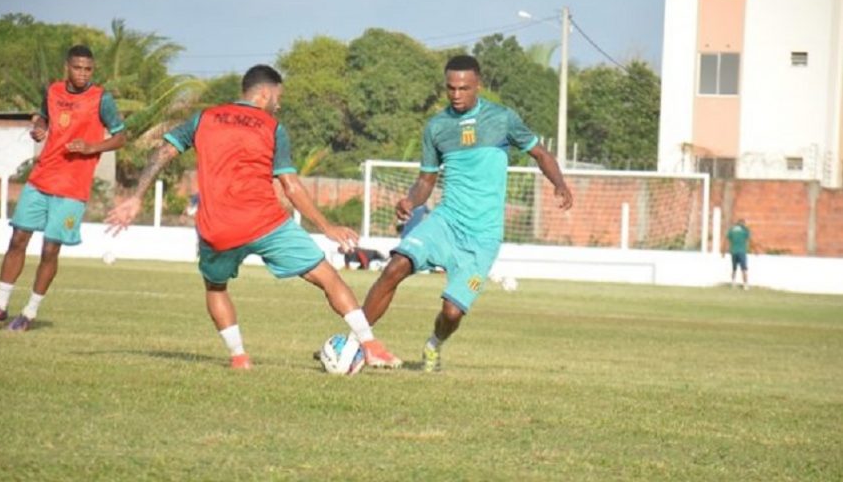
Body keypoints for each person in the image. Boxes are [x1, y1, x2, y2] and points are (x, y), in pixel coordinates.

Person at [105, 65, 401, 370]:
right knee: (328, 277)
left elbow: (163, 152)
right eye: (278, 97)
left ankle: (239, 357)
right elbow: (290, 185)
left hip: (217, 228)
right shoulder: (272, 127)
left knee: (215, 288)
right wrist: (326, 226)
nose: (279, 104)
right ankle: (370, 344)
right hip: (265, 223)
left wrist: (136, 196)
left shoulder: (203, 118)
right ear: (264, 93)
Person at [362, 55, 574, 372]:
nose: (457, 95)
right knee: (395, 266)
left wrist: (559, 183)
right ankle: (357, 343)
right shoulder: (437, 127)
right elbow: (426, 179)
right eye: (451, 88)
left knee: (452, 312)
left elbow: (539, 152)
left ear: (478, 85)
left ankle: (434, 345)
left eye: (464, 88)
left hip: (483, 237)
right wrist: (411, 201)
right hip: (446, 221)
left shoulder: (502, 118)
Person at [0, 45, 127, 331]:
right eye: (77, 68)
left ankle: (28, 313)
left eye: (88, 69)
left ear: (93, 70)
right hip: (41, 178)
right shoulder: (53, 91)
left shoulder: (101, 99)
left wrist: (92, 146)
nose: (82, 74)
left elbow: (120, 137)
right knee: (18, 238)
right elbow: (42, 116)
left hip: (72, 188)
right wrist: (39, 126)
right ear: (68, 67)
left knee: (50, 249)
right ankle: (0, 306)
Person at [724, 218, 751, 290]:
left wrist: (723, 251)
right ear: (743, 223)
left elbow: (726, 240)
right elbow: (749, 240)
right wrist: (755, 250)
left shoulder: (732, 230)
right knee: (744, 269)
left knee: (734, 269)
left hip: (733, 252)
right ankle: (745, 285)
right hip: (742, 252)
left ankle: (733, 283)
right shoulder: (745, 230)